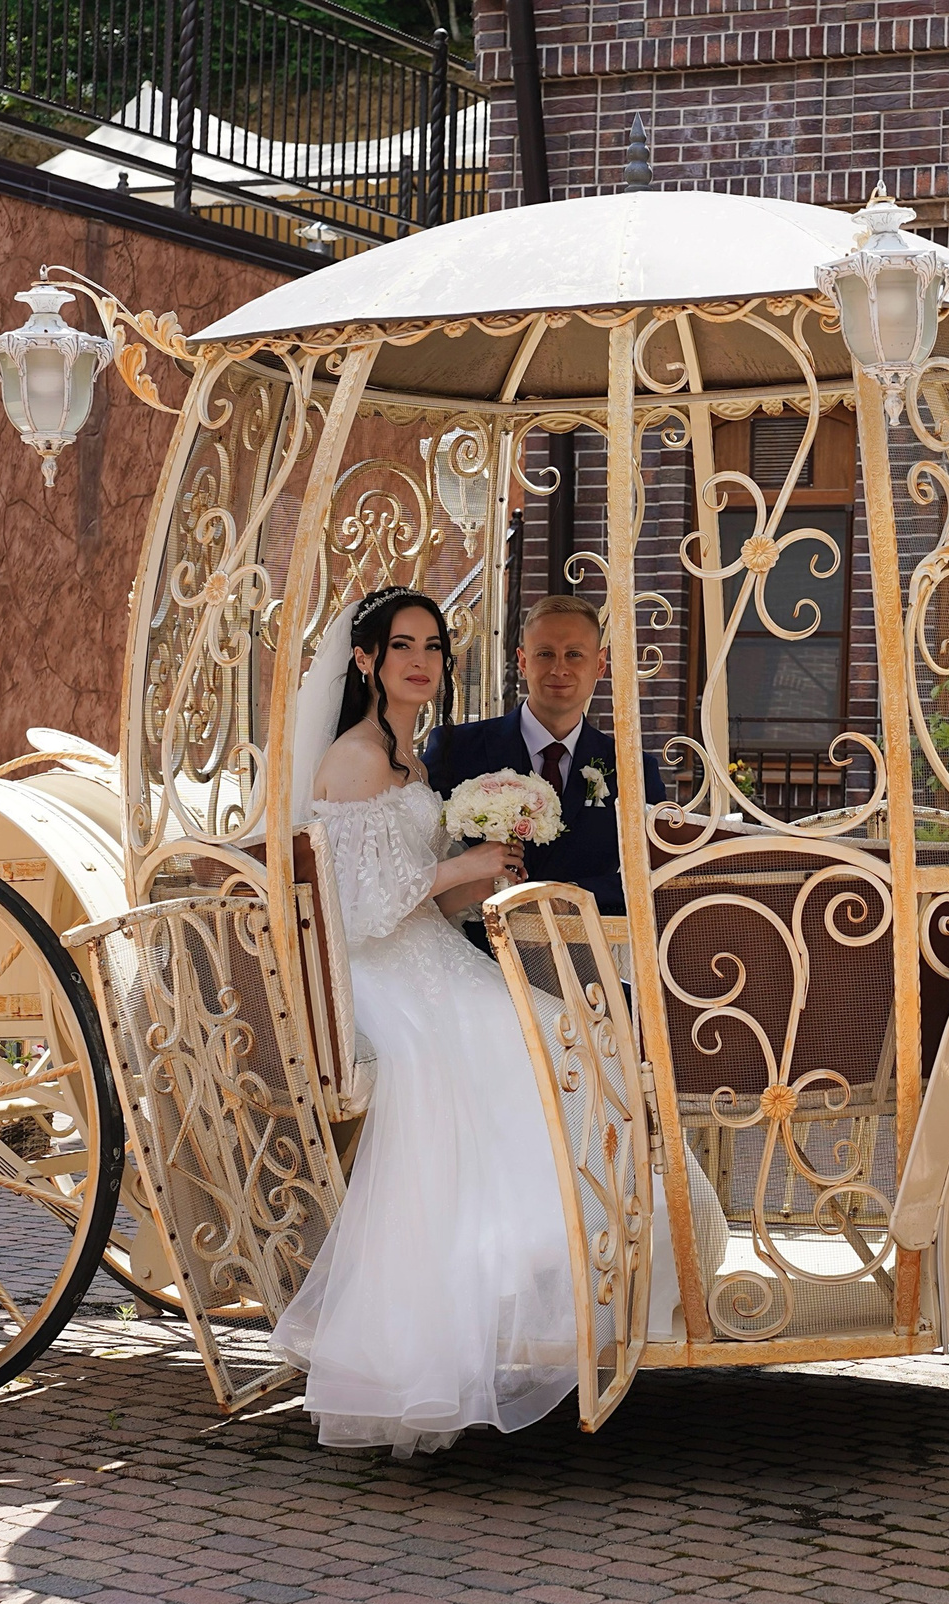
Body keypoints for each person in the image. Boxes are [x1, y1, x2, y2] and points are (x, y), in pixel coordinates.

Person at [265, 587, 581, 1455]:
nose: (421, 661)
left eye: (434, 647)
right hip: (373, 974)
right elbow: (361, 911)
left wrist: (479, 876)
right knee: (492, 1049)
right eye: (402, 645)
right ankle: (473, 1302)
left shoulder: (409, 761)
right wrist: (460, 867)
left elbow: (422, 907)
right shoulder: (360, 758)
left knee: (551, 1030)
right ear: (365, 660)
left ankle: (532, 1282)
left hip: (423, 954)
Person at [424, 593, 668, 917]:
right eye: (545, 654)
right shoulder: (456, 748)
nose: (559, 668)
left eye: (574, 655)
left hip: (584, 953)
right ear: (523, 661)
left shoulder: (633, 770)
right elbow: (419, 853)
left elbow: (653, 875)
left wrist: (570, 897)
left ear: (599, 664)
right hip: (473, 949)